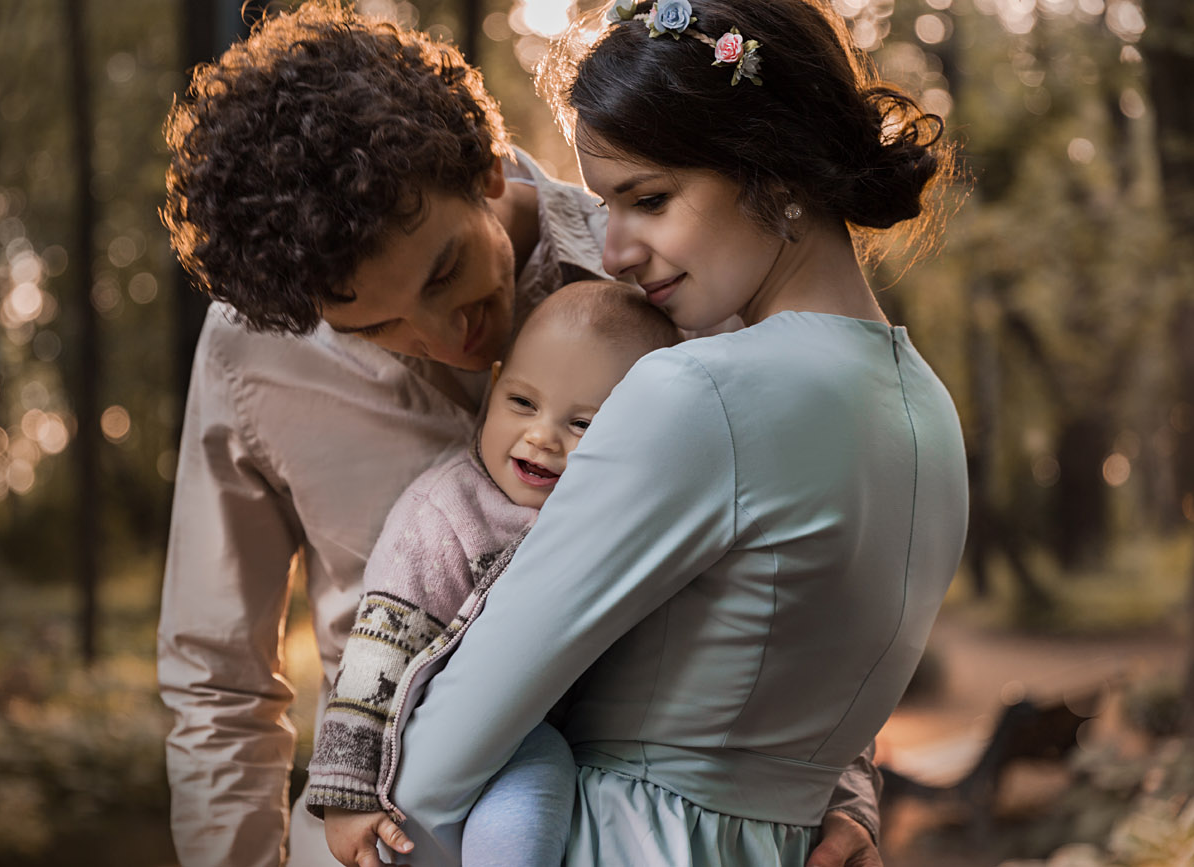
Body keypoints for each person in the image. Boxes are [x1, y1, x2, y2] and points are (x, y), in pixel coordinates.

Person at [157, 2, 886, 865]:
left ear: (485, 172)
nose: (439, 337)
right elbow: (219, 682)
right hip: (383, 838)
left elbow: (787, 578)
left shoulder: (664, 276)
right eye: (373, 329)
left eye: (445, 271)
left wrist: (842, 792)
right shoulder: (254, 354)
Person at [382, 0, 969, 865]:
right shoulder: (929, 412)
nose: (615, 249)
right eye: (606, 206)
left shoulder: (696, 394)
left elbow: (462, 729)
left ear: (775, 169)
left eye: (649, 199)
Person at [305, 280, 681, 867]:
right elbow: (376, 654)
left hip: (588, 740)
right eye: (522, 403)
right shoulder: (446, 513)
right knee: (539, 772)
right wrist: (345, 792)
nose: (542, 435)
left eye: (583, 424)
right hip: (452, 731)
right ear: (495, 384)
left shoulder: (621, 524)